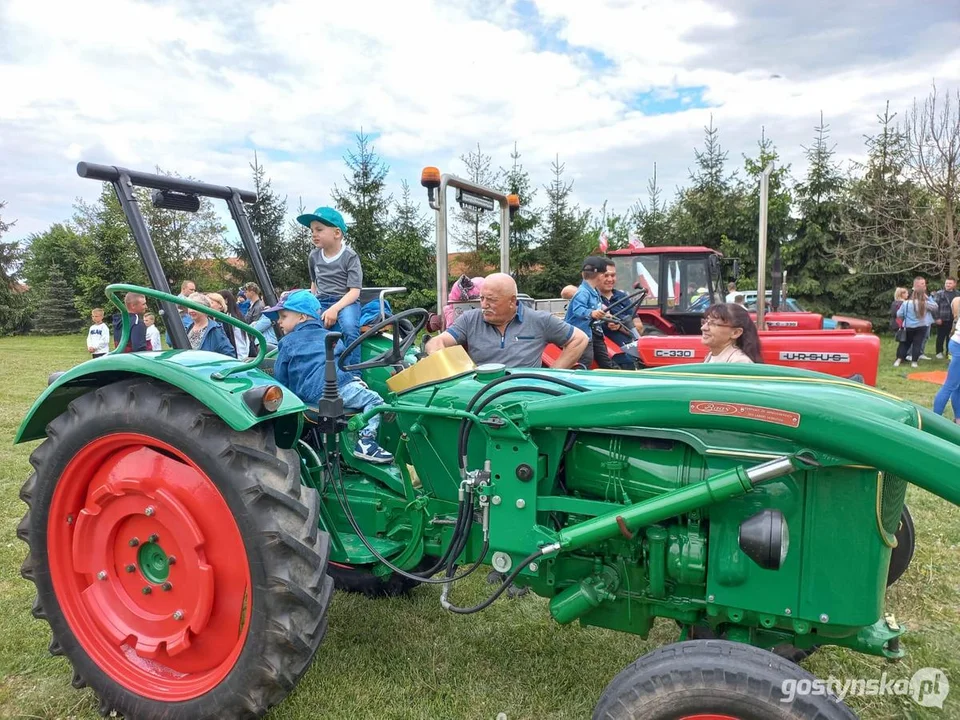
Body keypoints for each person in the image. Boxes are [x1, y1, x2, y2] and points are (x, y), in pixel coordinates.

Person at [265, 290, 393, 463]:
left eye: (283, 316)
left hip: (306, 394)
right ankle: (366, 442)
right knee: (376, 402)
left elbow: (281, 377)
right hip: (333, 389)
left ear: (302, 317)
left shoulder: (287, 342)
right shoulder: (332, 338)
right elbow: (341, 365)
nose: (279, 321)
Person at [425, 273, 588, 368]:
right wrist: (438, 355)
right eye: (482, 298)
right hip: (483, 398)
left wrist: (552, 374)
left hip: (526, 398)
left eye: (491, 299)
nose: (484, 305)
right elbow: (436, 342)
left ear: (512, 301)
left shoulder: (540, 320)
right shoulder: (469, 320)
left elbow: (579, 339)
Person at [300, 205, 364, 372]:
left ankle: (354, 372)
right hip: (321, 300)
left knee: (349, 328)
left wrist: (335, 309)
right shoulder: (313, 256)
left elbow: (355, 291)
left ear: (337, 233)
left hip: (345, 301)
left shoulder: (349, 256)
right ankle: (314, 371)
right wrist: (310, 305)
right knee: (307, 328)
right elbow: (314, 283)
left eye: (319, 229)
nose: (314, 234)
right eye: (312, 230)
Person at [563, 256, 609, 367]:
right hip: (579, 333)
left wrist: (605, 313)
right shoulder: (583, 292)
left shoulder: (594, 291)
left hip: (588, 331)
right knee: (585, 360)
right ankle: (577, 379)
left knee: (592, 357)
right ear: (600, 276)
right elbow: (578, 309)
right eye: (606, 275)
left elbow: (597, 307)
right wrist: (591, 313)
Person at [599, 262, 644, 369]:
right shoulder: (590, 296)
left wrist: (619, 326)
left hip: (627, 353)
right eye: (606, 275)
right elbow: (567, 291)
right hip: (605, 354)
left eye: (613, 275)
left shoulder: (622, 297)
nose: (610, 279)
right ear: (597, 277)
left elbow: (639, 328)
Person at [895, 281, 937, 368]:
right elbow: (935, 307)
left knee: (905, 344)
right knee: (917, 344)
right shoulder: (924, 303)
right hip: (921, 327)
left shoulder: (906, 303)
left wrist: (905, 318)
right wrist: (928, 298)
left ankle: (898, 360)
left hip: (908, 326)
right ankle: (914, 362)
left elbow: (899, 314)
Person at [934, 296, 960, 422]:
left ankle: (958, 419)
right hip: (958, 346)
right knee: (950, 385)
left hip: (955, 343)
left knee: (957, 386)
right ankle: (935, 419)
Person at [185, 293, 236, 357]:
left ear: (205, 308)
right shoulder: (187, 328)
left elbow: (228, 353)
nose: (191, 310)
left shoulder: (215, 329)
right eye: (189, 307)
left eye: (194, 307)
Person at [208, 290, 251, 359]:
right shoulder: (214, 320)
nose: (208, 305)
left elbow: (240, 342)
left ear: (221, 304)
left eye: (211, 303)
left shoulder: (230, 319)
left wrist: (241, 360)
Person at [933, 278, 959, 359]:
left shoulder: (958, 294)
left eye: (950, 283)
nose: (947, 285)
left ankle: (949, 352)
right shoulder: (940, 293)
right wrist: (937, 318)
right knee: (941, 336)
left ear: (954, 284)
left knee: (951, 336)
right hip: (942, 318)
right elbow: (934, 307)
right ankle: (939, 352)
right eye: (946, 283)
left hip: (954, 319)